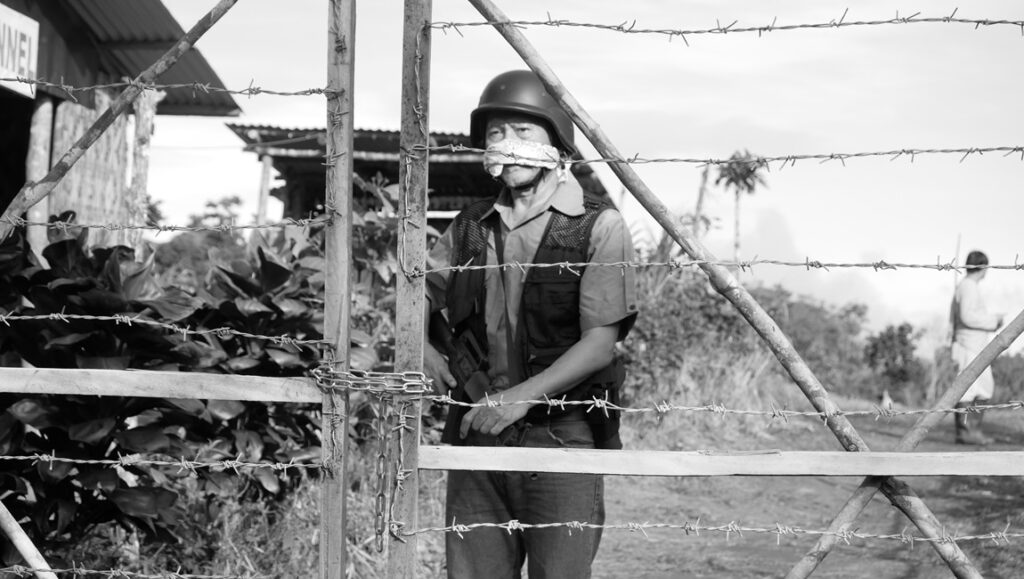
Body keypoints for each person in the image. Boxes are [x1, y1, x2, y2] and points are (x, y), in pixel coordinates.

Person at [423, 69, 638, 579]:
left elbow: (600, 343)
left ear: (557, 145)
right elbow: (414, 298)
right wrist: (423, 350)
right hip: (476, 433)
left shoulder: (598, 226)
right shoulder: (468, 227)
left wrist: (520, 398)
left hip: (561, 435)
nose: (508, 144)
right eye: (496, 134)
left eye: (524, 132)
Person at [949, 250, 1003, 445]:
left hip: (972, 345)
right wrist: (993, 321)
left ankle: (971, 432)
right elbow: (967, 316)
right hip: (969, 345)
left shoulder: (966, 286)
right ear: (983, 267)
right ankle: (966, 433)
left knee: (982, 387)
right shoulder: (969, 286)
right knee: (970, 388)